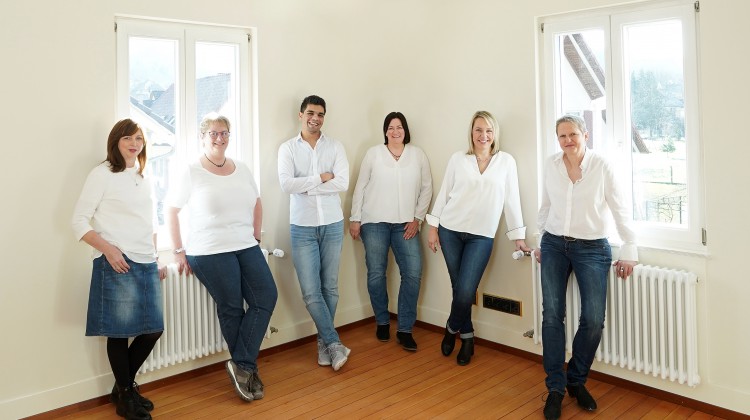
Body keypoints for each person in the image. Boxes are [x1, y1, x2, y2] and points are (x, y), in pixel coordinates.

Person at [166, 113, 277, 403]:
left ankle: (242, 365)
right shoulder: (191, 171)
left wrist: (256, 238)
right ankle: (246, 369)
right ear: (202, 137)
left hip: (245, 244)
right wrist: (178, 250)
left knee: (266, 296)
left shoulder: (242, 168)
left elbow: (257, 203)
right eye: (213, 133)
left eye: (224, 132)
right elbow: (171, 210)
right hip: (209, 250)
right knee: (232, 308)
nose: (219, 137)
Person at [537, 115, 637, 420]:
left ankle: (576, 381)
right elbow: (545, 206)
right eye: (562, 136)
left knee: (593, 319)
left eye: (573, 134)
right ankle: (555, 388)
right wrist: (541, 239)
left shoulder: (601, 166)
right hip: (554, 244)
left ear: (586, 135)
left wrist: (629, 248)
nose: (567, 140)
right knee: (552, 315)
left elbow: (620, 208)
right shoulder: (551, 165)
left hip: (592, 248)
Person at [72, 119, 165, 420]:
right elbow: (78, 221)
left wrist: (156, 257)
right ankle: (125, 395)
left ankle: (122, 387)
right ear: (115, 141)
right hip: (116, 261)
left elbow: (151, 221)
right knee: (119, 332)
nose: (134, 144)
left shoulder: (143, 175)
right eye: (127, 138)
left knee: (153, 329)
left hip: (146, 260)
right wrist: (109, 250)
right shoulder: (102, 174)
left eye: (138, 138)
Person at [427, 111, 531, 366]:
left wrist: (518, 236)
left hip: (482, 236)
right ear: (471, 133)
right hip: (450, 230)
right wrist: (433, 227)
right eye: (478, 130)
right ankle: (468, 337)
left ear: (494, 134)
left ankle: (451, 328)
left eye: (488, 130)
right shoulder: (458, 159)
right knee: (459, 288)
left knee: (465, 292)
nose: (483, 135)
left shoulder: (506, 162)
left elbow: (512, 200)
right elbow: (444, 193)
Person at [278, 95, 351, 371]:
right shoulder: (287, 148)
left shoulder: (335, 146)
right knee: (310, 291)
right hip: (302, 227)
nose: (315, 118)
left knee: (330, 287)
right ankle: (334, 342)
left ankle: (324, 344)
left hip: (332, 223)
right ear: (301, 115)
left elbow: (342, 183)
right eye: (310, 113)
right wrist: (321, 178)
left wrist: (306, 187)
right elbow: (287, 184)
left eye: (320, 114)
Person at [349, 112, 432, 351]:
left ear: (406, 130)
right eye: (390, 127)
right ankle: (382, 321)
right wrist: (355, 218)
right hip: (373, 222)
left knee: (413, 272)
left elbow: (427, 188)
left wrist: (417, 218)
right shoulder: (373, 153)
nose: (395, 131)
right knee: (376, 273)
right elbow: (360, 186)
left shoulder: (417, 154)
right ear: (385, 131)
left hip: (406, 224)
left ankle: (405, 329)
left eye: (399, 127)